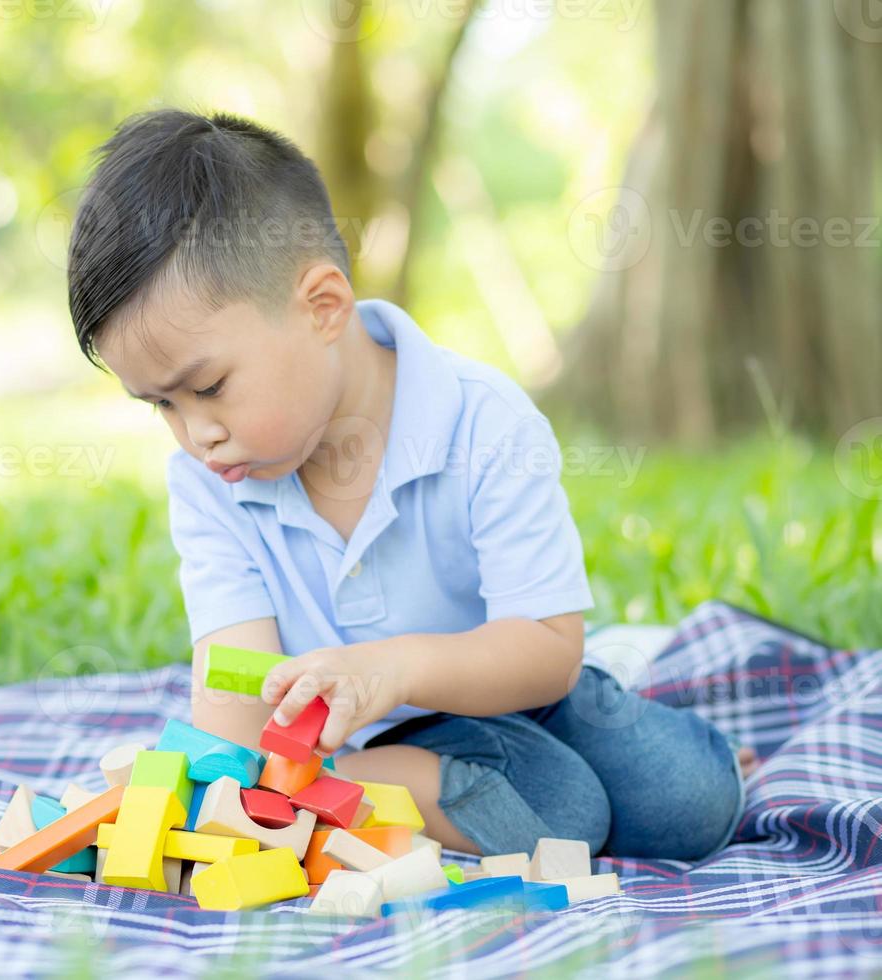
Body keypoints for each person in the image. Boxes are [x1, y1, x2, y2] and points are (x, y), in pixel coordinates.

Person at [65, 107, 750, 861]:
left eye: (210, 387)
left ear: (323, 307)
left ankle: (341, 788)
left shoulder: (482, 420)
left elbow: (546, 648)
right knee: (567, 818)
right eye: (161, 404)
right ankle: (324, 788)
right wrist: (220, 802)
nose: (197, 434)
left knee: (691, 805)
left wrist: (392, 669)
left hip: (515, 686)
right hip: (380, 737)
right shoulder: (211, 481)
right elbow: (236, 677)